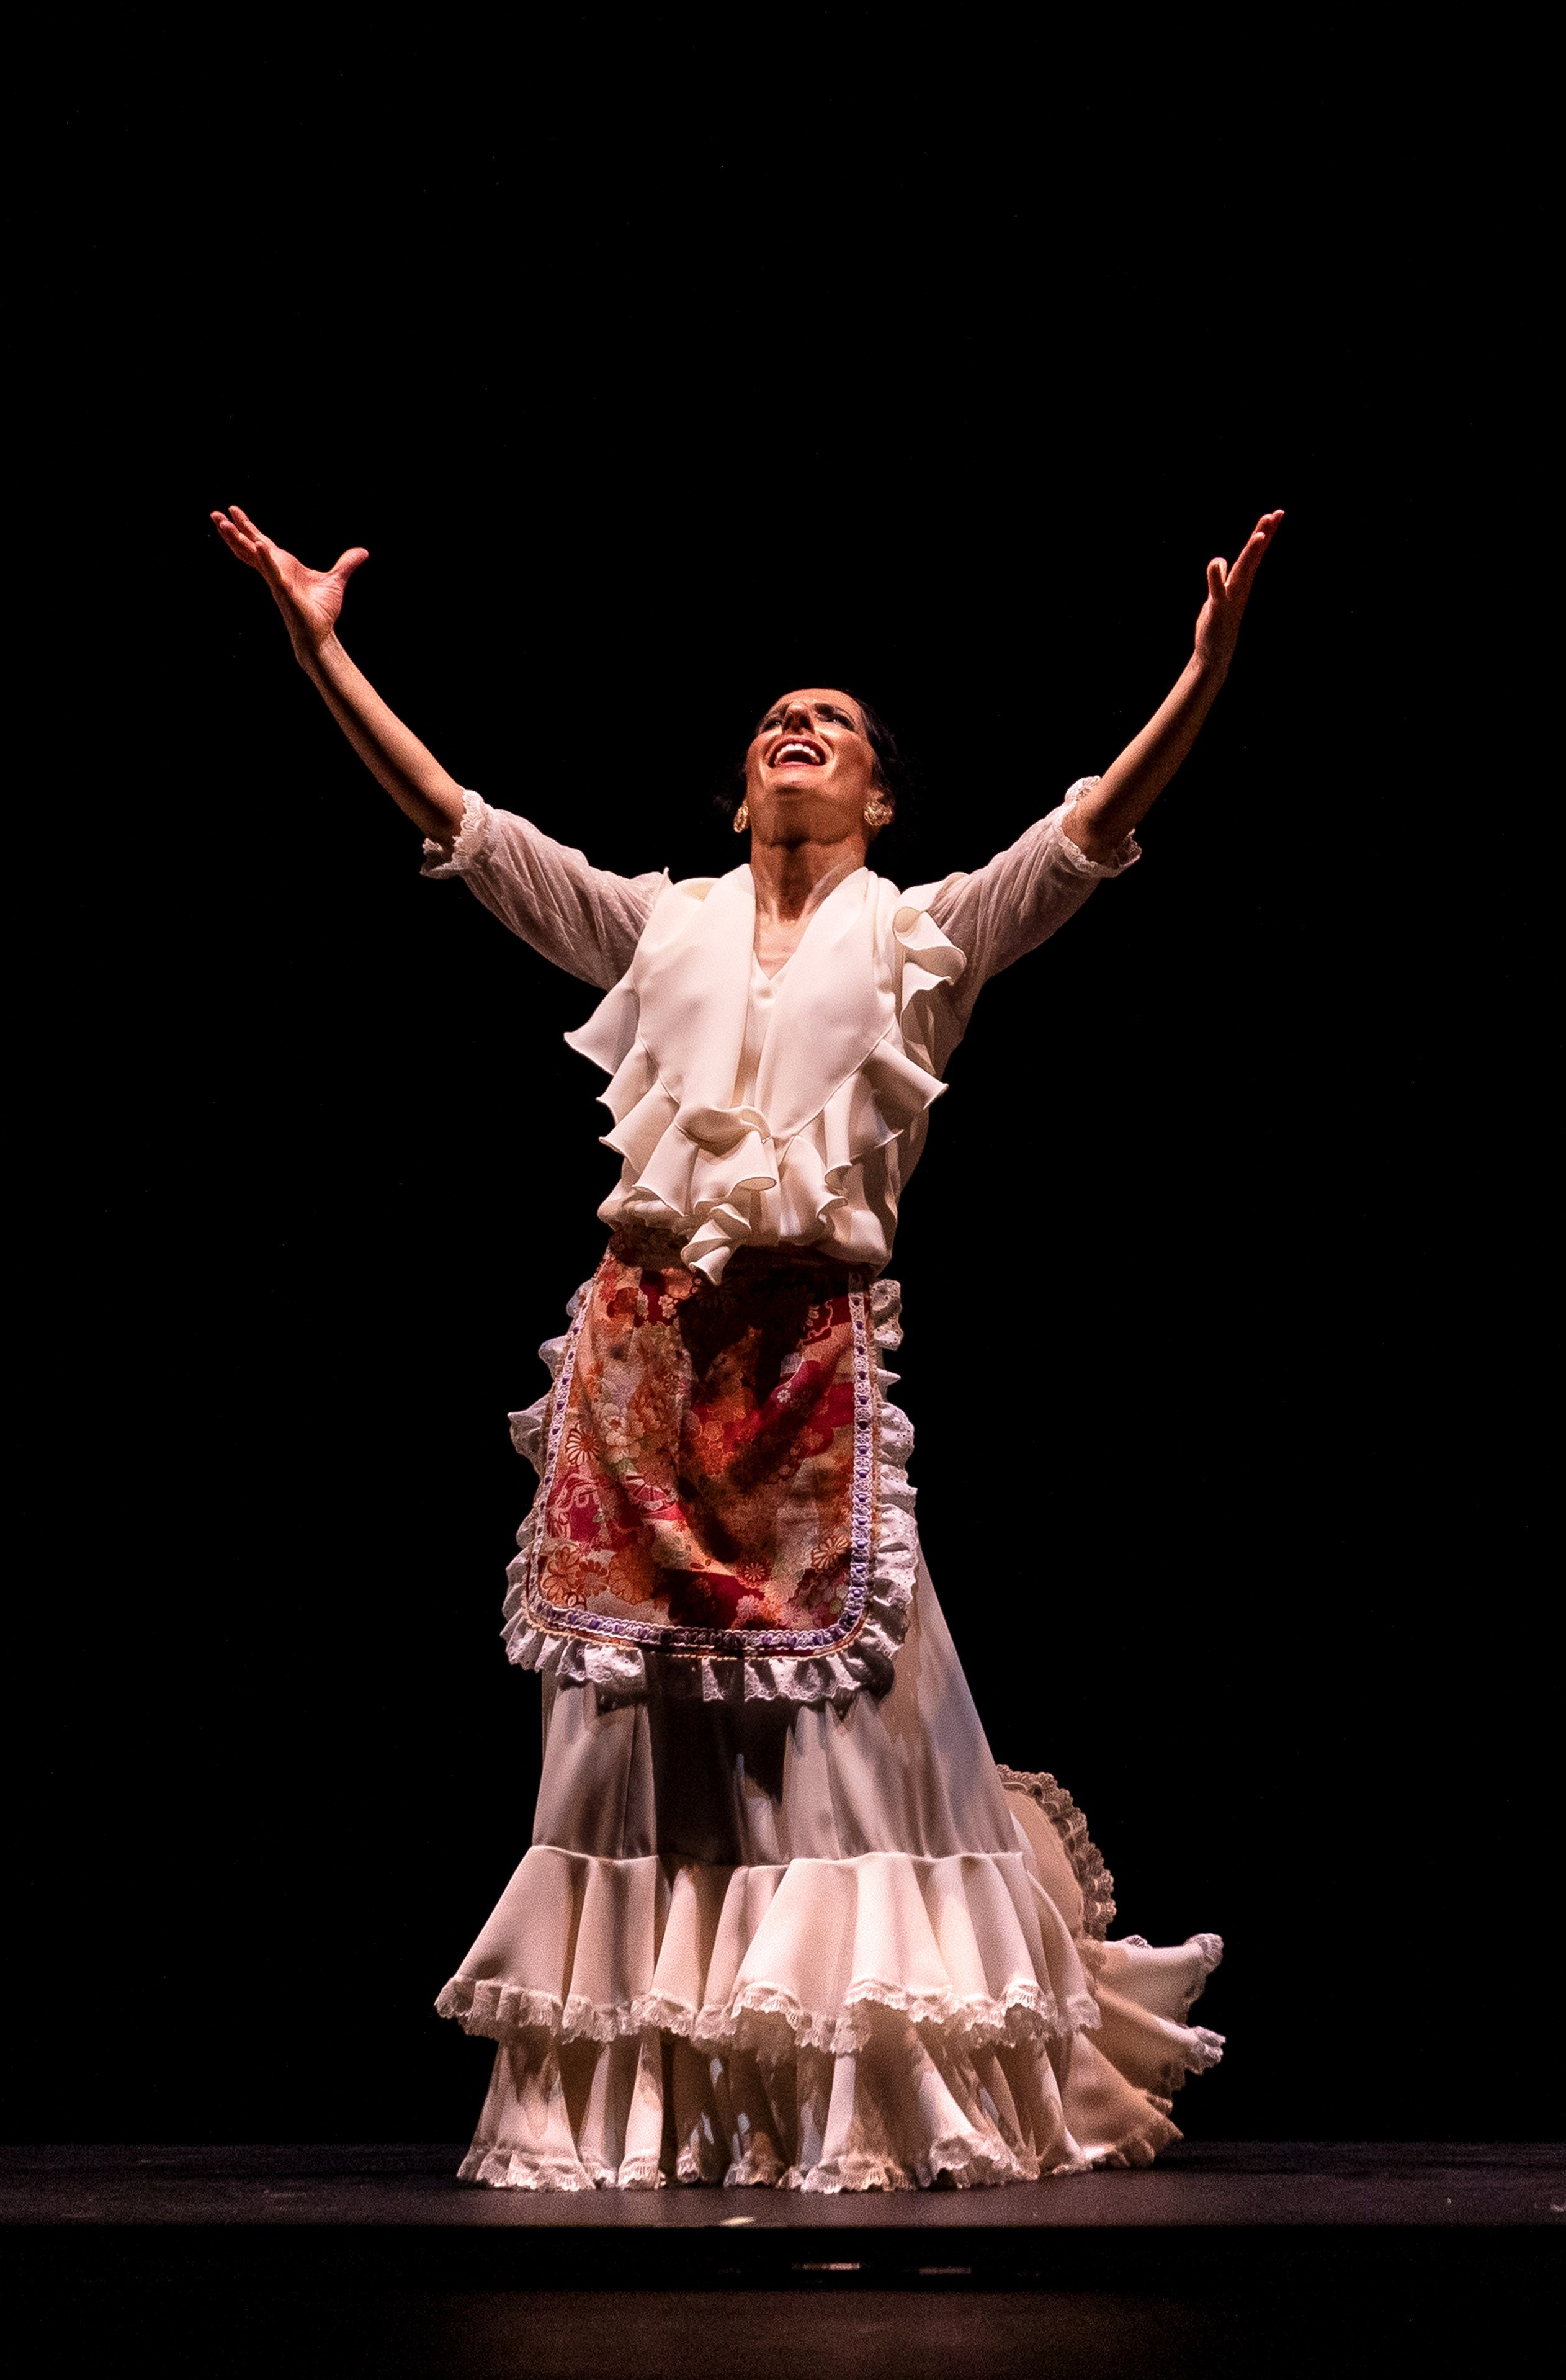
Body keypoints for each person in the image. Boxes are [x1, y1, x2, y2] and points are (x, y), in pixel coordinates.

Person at [213, 499, 1283, 2190]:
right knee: (639, 1745)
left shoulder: (921, 938)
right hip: (645, 1383)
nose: (800, 728)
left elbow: (1084, 838)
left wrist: (1203, 670)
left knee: (852, 1749)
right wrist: (321, 655)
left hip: (810, 1383)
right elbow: (466, 830)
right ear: (740, 792)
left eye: (837, 726)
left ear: (875, 797)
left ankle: (862, 2096)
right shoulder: (660, 926)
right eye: (776, 721)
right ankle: (645, 2113)